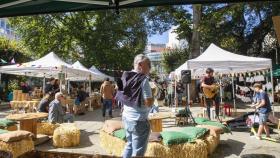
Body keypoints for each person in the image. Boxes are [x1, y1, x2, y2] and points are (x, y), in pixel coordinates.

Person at [116, 54, 153, 158]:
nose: (150, 67)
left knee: (129, 145)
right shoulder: (143, 79)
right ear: (140, 65)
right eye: (149, 65)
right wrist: (153, 95)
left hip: (126, 118)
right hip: (138, 121)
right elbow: (148, 103)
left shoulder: (126, 76)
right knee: (138, 153)